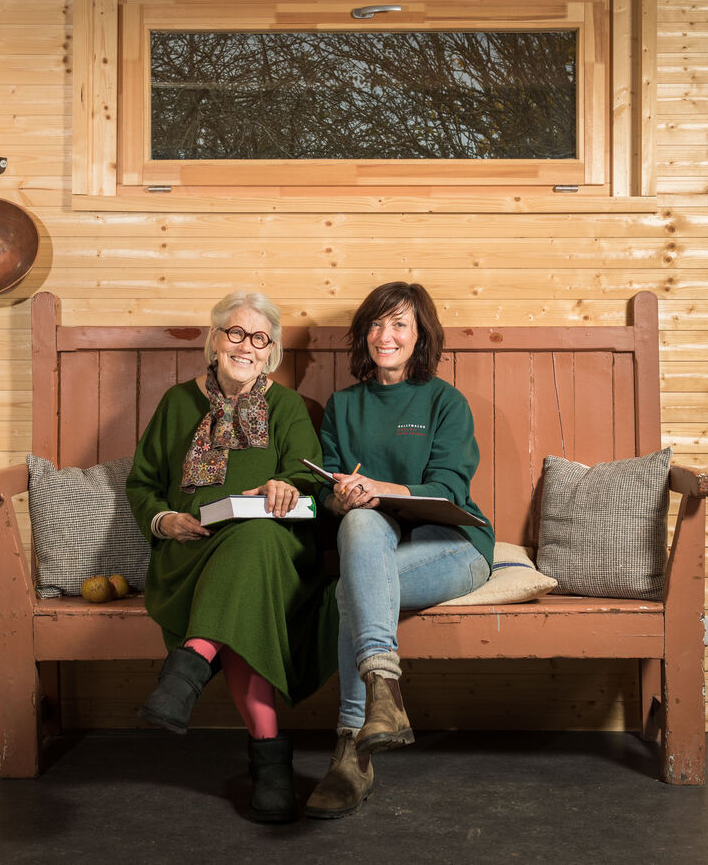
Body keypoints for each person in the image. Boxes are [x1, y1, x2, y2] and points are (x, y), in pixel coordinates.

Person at [126, 291, 337, 823]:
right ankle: (270, 764)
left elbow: (312, 485)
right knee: (242, 599)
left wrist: (286, 487)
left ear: (271, 353)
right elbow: (143, 483)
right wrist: (163, 519)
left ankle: (188, 668)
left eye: (260, 338)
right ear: (214, 340)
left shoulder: (287, 409)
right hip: (192, 552)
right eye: (235, 333)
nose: (246, 345)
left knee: (253, 542)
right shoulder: (177, 403)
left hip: (277, 550)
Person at [304, 282, 495, 819]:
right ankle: (382, 692)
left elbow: (450, 487)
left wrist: (383, 489)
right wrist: (343, 498)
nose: (385, 336)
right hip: (377, 543)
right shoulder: (343, 405)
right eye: (376, 324)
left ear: (420, 336)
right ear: (364, 334)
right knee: (360, 523)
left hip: (451, 544)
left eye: (399, 325)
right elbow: (324, 493)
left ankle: (349, 754)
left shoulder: (443, 400)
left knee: (351, 590)